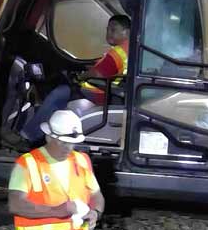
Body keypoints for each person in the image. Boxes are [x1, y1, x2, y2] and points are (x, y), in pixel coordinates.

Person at [18, 14, 131, 144]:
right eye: (107, 29)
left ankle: (28, 136)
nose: (108, 33)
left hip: (99, 94)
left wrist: (80, 76)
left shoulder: (117, 53)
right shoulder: (128, 50)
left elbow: (97, 73)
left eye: (113, 29)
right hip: (108, 92)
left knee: (59, 94)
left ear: (126, 32)